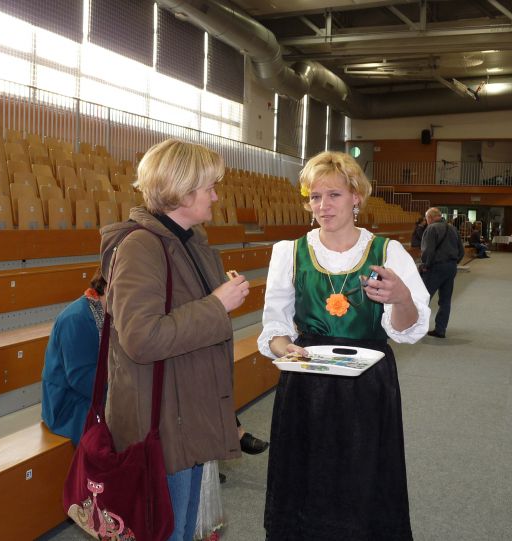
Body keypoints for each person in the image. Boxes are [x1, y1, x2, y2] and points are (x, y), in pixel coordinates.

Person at [258, 150, 429, 540]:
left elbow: (408, 329)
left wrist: (400, 296)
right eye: (315, 197)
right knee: (306, 477)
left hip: (367, 380)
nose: (323, 205)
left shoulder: (389, 252)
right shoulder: (289, 252)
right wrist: (286, 349)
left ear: (356, 196)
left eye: (333, 195)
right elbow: (276, 326)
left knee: (361, 476)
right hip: (307, 380)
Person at [99, 139, 249, 541]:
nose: (216, 196)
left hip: (188, 413)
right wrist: (218, 305)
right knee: (169, 532)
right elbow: (142, 338)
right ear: (183, 192)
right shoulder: (140, 247)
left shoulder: (191, 243)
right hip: (162, 421)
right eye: (209, 188)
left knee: (182, 529)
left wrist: (219, 297)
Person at [41, 269, 106, 446]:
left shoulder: (104, 314)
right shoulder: (76, 318)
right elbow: (81, 377)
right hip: (67, 405)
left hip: (89, 393)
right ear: (109, 287)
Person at [420, 207, 465, 339]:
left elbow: (428, 250)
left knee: (423, 298)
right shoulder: (452, 228)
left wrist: (425, 265)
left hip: (435, 268)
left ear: (430, 217)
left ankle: (418, 329)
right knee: (445, 300)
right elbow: (461, 251)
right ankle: (441, 329)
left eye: (427, 218)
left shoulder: (431, 229)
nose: (426, 221)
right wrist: (453, 263)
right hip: (451, 267)